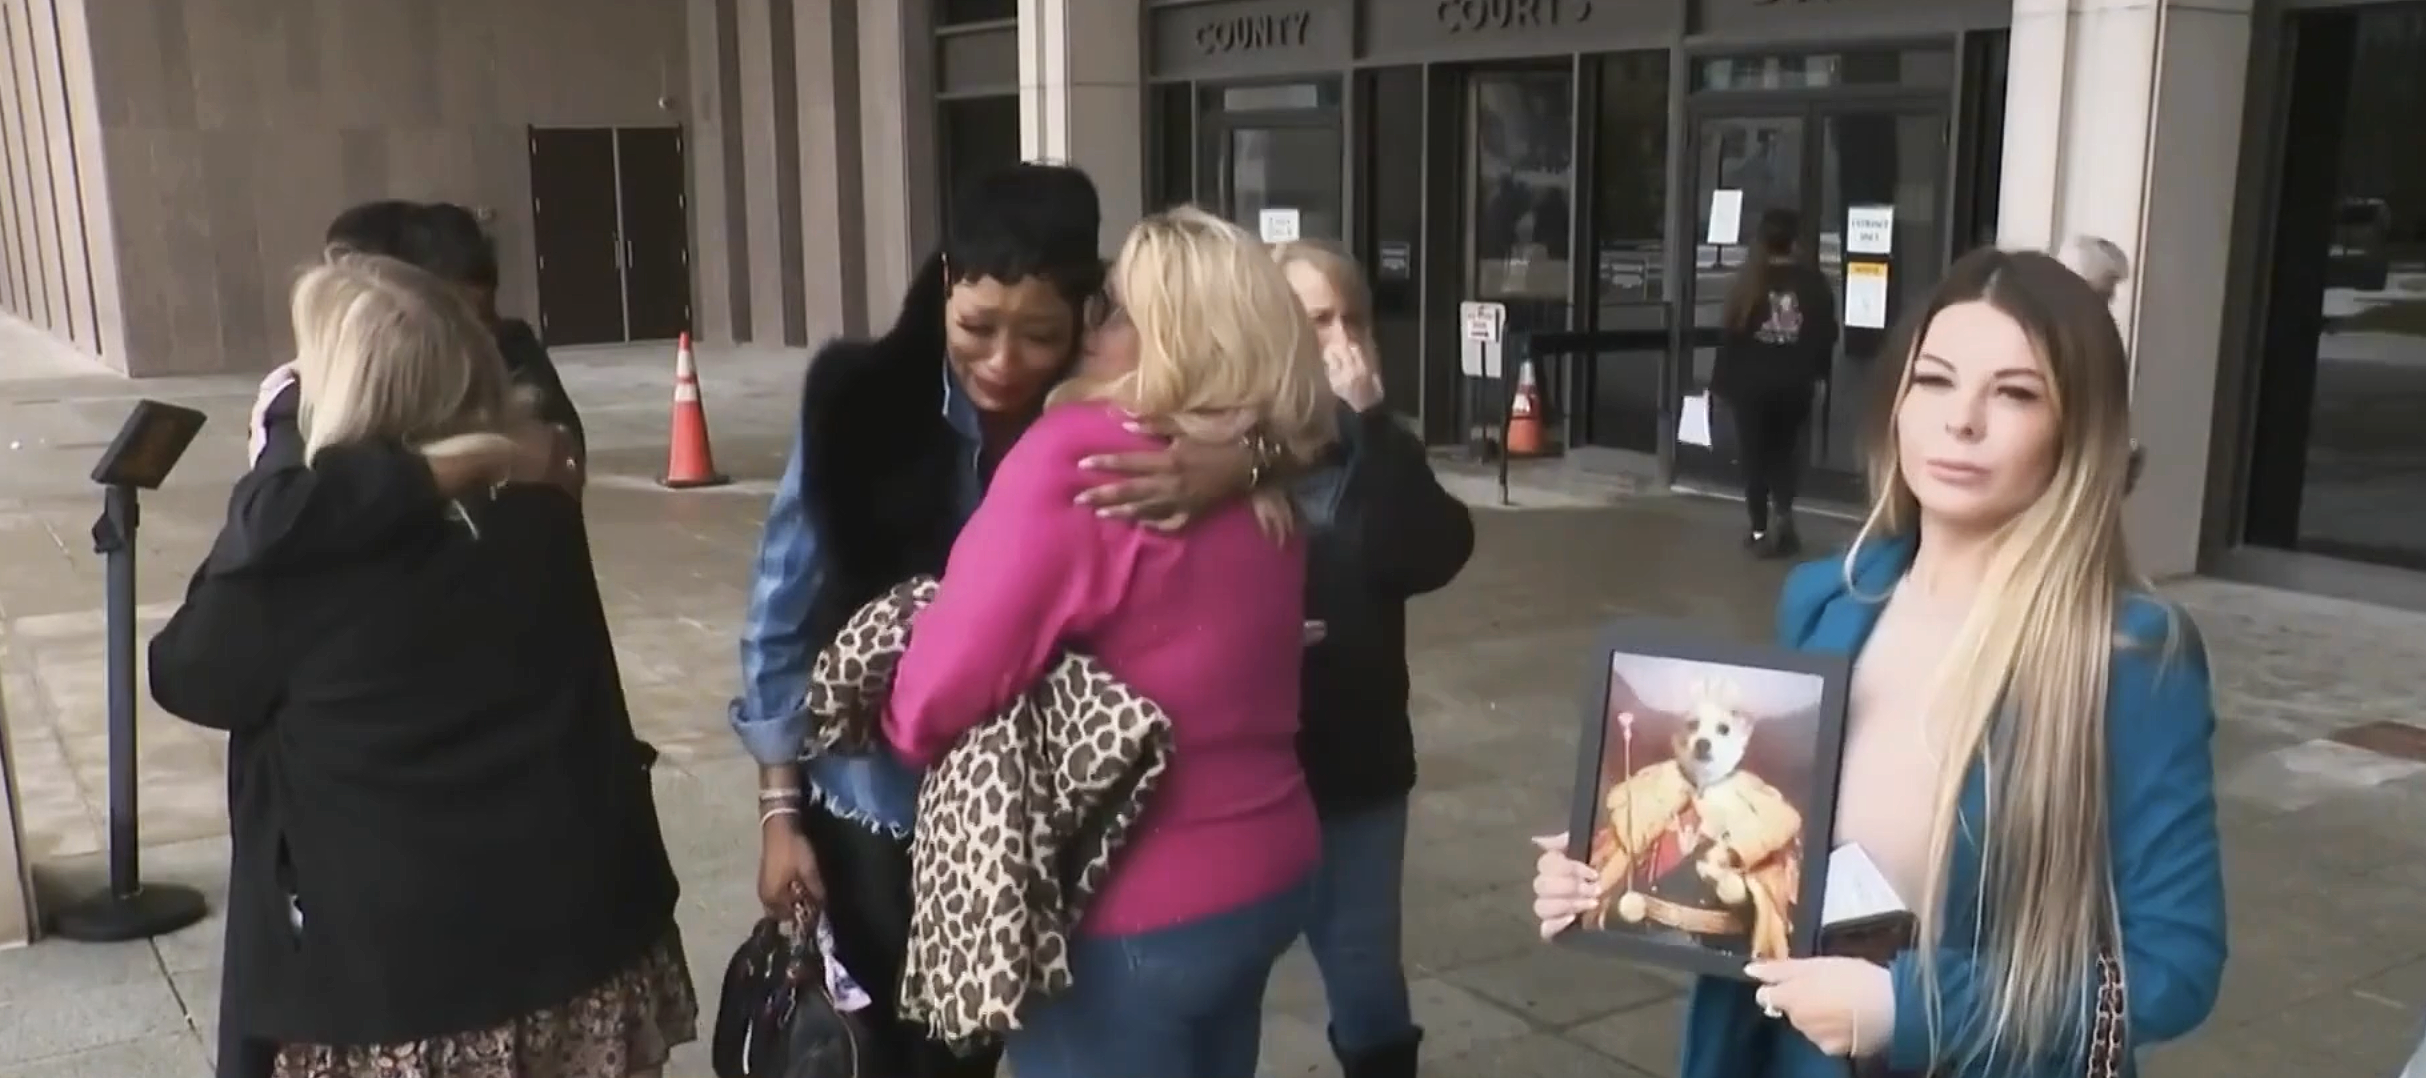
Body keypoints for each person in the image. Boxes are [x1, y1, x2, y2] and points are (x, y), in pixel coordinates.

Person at [1530, 247, 2225, 1078]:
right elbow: (1771, 856)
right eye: (1934, 380)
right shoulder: (1829, 599)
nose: (1961, 419)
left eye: (2015, 392)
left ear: (2077, 430)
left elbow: (2174, 968)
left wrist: (1908, 1009)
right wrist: (1613, 867)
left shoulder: (2132, 656)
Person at [739, 164, 1277, 1078]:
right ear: (946, 283)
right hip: (873, 810)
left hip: (1033, 821)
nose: (1002, 363)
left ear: (1086, 313)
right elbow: (778, 614)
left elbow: (1319, 421)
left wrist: (1245, 461)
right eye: (976, 329)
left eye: (1038, 335)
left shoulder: (1121, 404)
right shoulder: (857, 403)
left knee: (979, 1056)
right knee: (875, 1052)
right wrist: (779, 809)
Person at [150, 253, 695, 1078]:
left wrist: (277, 468)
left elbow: (185, 671)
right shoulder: (536, 502)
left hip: (407, 995)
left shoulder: (297, 561)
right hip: (581, 955)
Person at [878, 205, 1333, 1078]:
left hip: (1131, 905)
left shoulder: (1085, 456)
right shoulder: (1262, 474)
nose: (1095, 325)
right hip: (1268, 871)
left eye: (1120, 310)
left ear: (1180, 339)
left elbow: (933, 697)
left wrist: (892, 704)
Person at [1272, 239, 1473, 1078]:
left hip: (1356, 767)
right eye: (1318, 320)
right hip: (1244, 769)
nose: (1342, 340)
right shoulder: (1218, 450)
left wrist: (1372, 426)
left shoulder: (1379, 450)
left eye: (1353, 318)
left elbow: (1427, 553)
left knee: (1366, 982)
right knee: (1220, 985)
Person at [215, 201, 577, 577]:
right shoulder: (308, 393)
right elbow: (269, 522)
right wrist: (480, 459)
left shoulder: (511, 354)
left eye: (477, 320)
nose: (469, 339)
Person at [1710, 207, 1838, 559]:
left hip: (1751, 386)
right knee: (1784, 453)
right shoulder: (1814, 285)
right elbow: (1826, 336)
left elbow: (1731, 339)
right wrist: (1820, 377)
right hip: (1795, 383)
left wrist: (1720, 386)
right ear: (1795, 241)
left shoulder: (1748, 283)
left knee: (1754, 456)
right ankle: (1784, 516)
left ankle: (1759, 529)